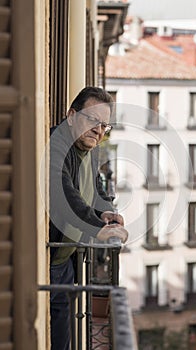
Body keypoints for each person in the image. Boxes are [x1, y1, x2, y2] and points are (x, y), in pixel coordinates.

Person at [49, 86, 128, 350]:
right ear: (71, 116)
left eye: (104, 125)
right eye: (93, 120)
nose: (99, 130)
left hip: (65, 262)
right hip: (47, 261)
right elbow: (63, 194)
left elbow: (95, 191)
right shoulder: (56, 145)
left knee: (64, 335)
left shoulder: (89, 150)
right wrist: (98, 228)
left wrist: (107, 213)